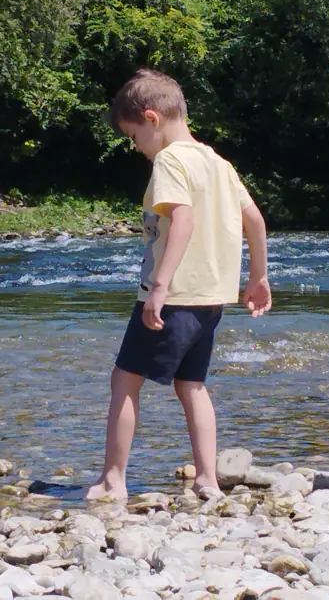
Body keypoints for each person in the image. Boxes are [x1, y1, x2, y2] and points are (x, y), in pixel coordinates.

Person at [85, 69, 272, 500]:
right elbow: (256, 221)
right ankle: (208, 478)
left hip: (175, 294)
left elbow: (182, 219)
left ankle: (114, 479)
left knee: (124, 380)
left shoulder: (171, 160)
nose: (135, 148)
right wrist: (258, 277)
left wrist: (160, 288)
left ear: (152, 119)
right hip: (212, 298)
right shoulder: (218, 162)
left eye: (133, 137)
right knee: (192, 385)